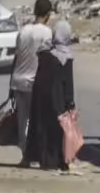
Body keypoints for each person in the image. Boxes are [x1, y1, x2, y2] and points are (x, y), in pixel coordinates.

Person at [24, 19, 77, 172]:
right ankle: (57, 161)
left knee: (43, 129)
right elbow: (68, 83)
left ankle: (43, 160)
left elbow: (40, 77)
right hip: (58, 100)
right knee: (57, 131)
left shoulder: (45, 54)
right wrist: (70, 102)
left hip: (42, 98)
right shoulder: (67, 58)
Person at [11, 0, 54, 164]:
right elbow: (46, 59)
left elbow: (16, 57)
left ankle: (25, 156)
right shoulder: (46, 33)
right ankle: (35, 154)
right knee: (37, 120)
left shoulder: (23, 30)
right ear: (48, 14)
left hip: (18, 80)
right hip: (34, 82)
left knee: (23, 120)